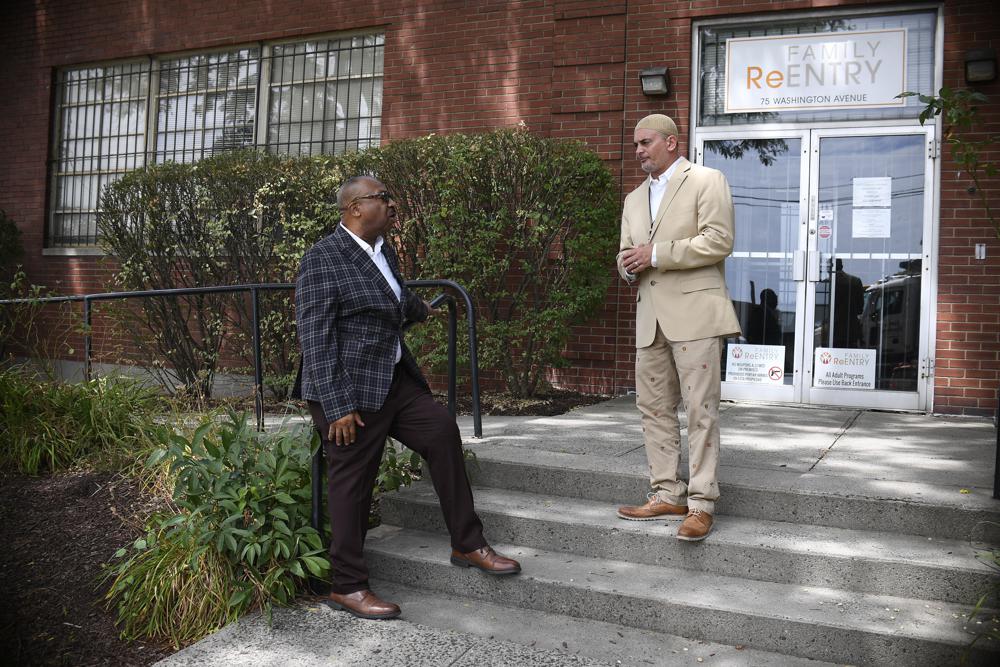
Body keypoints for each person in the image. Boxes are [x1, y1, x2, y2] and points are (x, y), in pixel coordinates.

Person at [295, 175, 520, 620]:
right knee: (352, 486)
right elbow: (315, 338)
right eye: (384, 198)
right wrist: (337, 406)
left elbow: (392, 294)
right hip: (348, 392)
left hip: (393, 379)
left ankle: (468, 542)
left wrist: (422, 309)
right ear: (355, 208)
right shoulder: (323, 259)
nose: (392, 205)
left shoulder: (383, 250)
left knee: (440, 433)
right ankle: (348, 586)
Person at [615, 114, 741, 542]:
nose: (638, 151)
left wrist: (656, 254)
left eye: (646, 142)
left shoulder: (707, 180)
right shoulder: (633, 198)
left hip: (696, 315)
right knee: (652, 409)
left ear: (671, 142)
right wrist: (628, 265)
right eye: (635, 144)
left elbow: (719, 240)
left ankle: (702, 503)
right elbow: (625, 253)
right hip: (649, 319)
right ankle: (666, 491)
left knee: (700, 411)